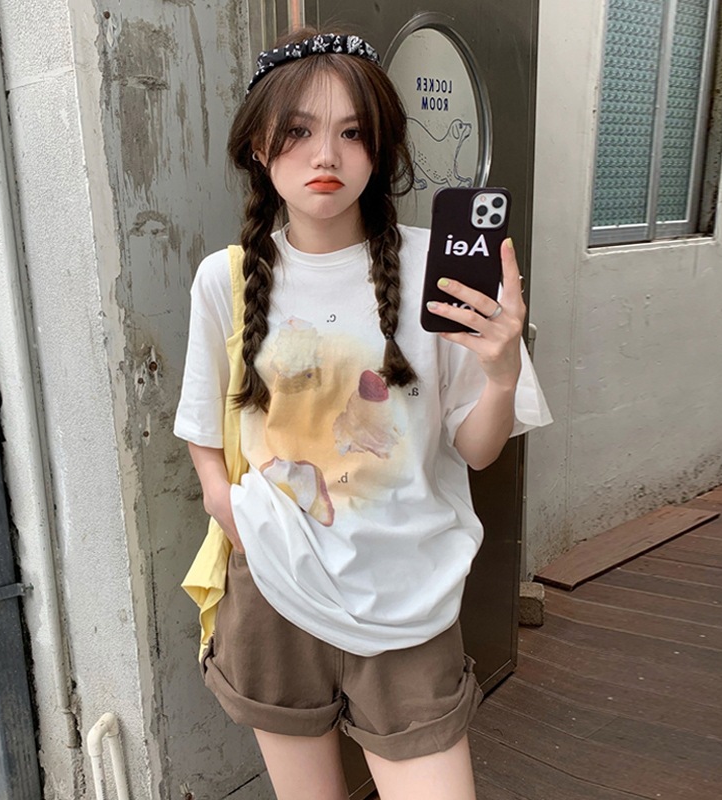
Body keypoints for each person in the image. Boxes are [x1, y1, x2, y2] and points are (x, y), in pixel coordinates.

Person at [175, 28, 551, 800]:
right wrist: (226, 506)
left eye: (352, 133)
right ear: (258, 146)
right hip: (275, 589)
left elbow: (479, 450)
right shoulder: (225, 279)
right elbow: (203, 427)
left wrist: (502, 373)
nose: (326, 156)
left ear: (379, 150)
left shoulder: (436, 269)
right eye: (298, 131)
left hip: (408, 602)